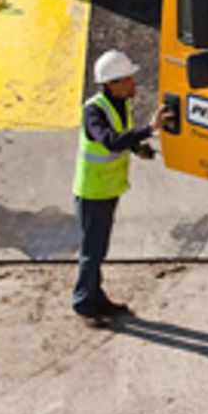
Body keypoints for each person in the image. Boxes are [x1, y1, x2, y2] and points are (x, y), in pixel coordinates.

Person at [72, 49, 170, 323]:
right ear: (112, 83)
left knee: (99, 248)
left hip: (107, 189)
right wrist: (150, 129)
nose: (133, 83)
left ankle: (96, 296)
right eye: (127, 79)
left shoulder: (120, 104)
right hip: (92, 191)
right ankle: (84, 304)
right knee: (92, 252)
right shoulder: (94, 110)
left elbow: (121, 139)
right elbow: (110, 140)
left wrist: (138, 148)